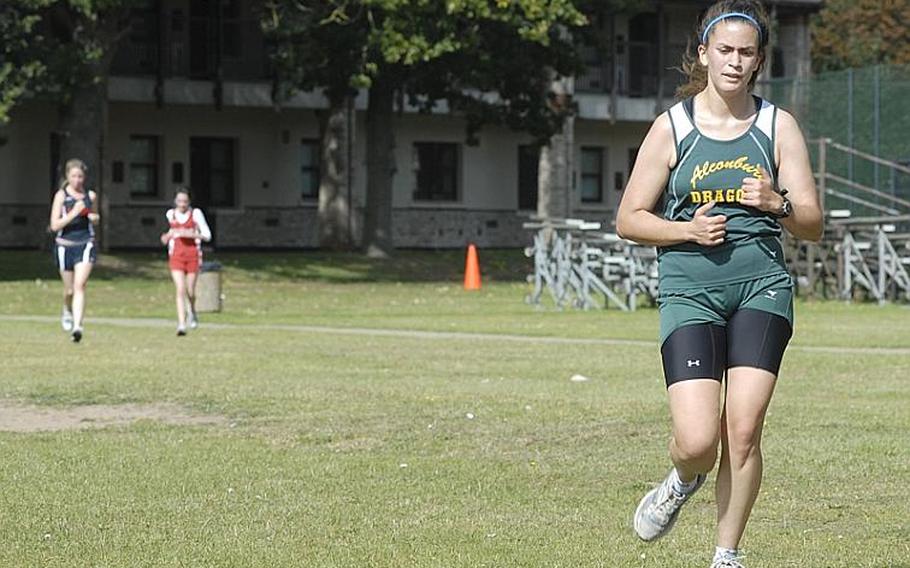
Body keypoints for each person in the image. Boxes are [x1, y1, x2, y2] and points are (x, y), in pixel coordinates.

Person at [616, 2, 823, 567]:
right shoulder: (672, 128)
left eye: (746, 53)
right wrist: (684, 229)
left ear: (759, 61)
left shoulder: (779, 127)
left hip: (761, 286)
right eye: (725, 51)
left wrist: (776, 202)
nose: (735, 62)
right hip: (690, 291)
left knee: (744, 429)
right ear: (704, 54)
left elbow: (813, 223)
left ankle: (726, 555)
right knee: (697, 440)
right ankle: (682, 480)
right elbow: (629, 218)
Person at [49, 159, 100, 343]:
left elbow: (93, 216)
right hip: (64, 245)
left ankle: (78, 326)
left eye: (80, 176)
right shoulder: (61, 196)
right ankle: (67, 310)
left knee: (80, 285)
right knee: (69, 290)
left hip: (86, 243)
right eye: (73, 176)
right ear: (67, 177)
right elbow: (54, 225)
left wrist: (94, 218)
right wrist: (73, 213)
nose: (77, 180)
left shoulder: (91, 196)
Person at [160, 187, 211, 336]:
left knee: (190, 290)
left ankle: (193, 311)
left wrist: (192, 234)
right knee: (180, 289)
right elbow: (170, 233)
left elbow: (207, 235)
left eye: (185, 201)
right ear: (175, 201)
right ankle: (181, 324)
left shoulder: (196, 214)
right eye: (179, 201)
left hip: (192, 254)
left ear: (189, 202)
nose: (182, 204)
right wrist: (166, 237)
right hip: (176, 255)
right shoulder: (171, 214)